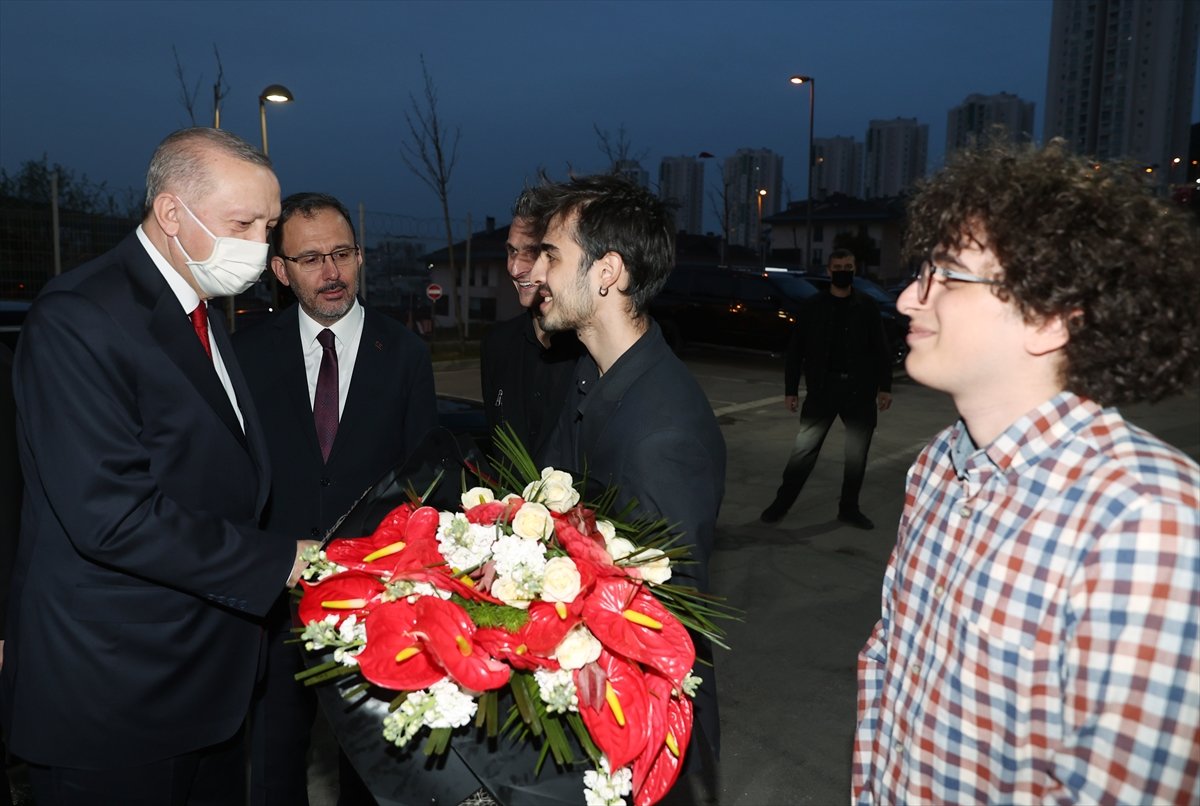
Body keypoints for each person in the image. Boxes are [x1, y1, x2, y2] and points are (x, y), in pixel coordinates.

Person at [853, 141, 1200, 803]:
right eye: (920, 271)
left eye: (947, 275)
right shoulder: (936, 468)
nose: (905, 301)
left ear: (1048, 318)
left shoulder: (1146, 519)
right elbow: (888, 675)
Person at [0, 127, 315, 805]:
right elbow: (108, 515)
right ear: (173, 213)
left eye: (268, 223)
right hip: (115, 694)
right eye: (243, 223)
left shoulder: (198, 310)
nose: (261, 244)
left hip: (206, 684)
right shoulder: (82, 317)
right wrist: (282, 560)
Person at [524, 174, 727, 802]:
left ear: (607, 272)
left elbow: (661, 628)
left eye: (551, 254)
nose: (534, 271)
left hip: (643, 737)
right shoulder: (593, 376)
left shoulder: (662, 431)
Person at [233, 191, 438, 805]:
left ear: (359, 256)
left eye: (342, 253)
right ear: (280, 270)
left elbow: (423, 480)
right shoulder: (244, 354)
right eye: (312, 258)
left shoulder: (403, 354)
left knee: (372, 772)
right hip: (275, 601)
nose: (331, 272)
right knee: (272, 768)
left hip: (375, 605)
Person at [760, 248, 893, 528]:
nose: (843, 271)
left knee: (856, 454)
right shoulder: (813, 306)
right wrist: (791, 390)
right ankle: (780, 504)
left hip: (859, 392)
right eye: (838, 266)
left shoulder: (867, 306)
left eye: (848, 266)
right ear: (828, 271)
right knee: (804, 451)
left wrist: (885, 387)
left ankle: (849, 508)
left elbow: (881, 349)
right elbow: (796, 351)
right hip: (823, 391)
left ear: (854, 270)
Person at [480, 214, 581, 457]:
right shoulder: (497, 345)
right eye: (512, 251)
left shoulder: (589, 350)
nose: (515, 268)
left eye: (532, 252)